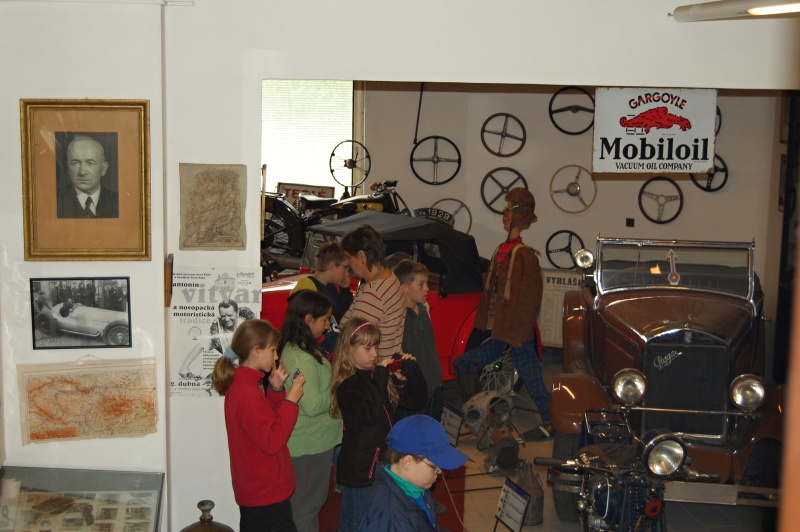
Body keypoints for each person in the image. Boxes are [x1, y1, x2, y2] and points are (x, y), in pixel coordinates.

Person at [452, 187, 552, 441]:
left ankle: (552, 423)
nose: (503, 214)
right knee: (463, 363)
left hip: (517, 335)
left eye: (508, 209)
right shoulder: (502, 251)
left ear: (519, 213)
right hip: (500, 331)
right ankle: (479, 414)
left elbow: (530, 303)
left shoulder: (526, 257)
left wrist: (518, 336)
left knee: (533, 381)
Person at [330, 318, 427, 532]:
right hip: (359, 471)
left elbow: (416, 400)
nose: (374, 353)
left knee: (376, 523)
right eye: (367, 348)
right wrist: (381, 376)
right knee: (355, 523)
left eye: (376, 346)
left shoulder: (378, 378)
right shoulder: (347, 386)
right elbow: (369, 415)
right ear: (350, 349)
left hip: (380, 466)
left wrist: (413, 372)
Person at [211, 319, 306, 532]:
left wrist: (276, 390)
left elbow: (263, 424)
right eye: (272, 350)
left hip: (259, 489)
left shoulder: (246, 384)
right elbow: (272, 441)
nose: (276, 356)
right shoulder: (246, 391)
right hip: (265, 491)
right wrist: (291, 401)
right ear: (256, 351)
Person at [278, 290, 343, 532]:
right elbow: (313, 404)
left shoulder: (303, 348)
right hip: (308, 446)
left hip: (316, 443)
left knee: (310, 506)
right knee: (304, 510)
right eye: (325, 319)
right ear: (308, 319)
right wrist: (340, 387)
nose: (327, 326)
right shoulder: (300, 357)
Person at [356, 415, 468, 532]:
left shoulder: (415, 486)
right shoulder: (392, 518)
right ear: (408, 462)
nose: (439, 472)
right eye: (435, 466)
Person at [340, 225, 406, 360]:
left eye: (348, 258)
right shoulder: (390, 278)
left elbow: (353, 341)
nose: (348, 264)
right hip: (386, 364)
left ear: (361, 256)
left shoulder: (374, 293)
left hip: (372, 368)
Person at [393, 259, 444, 422]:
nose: (427, 288)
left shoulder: (422, 309)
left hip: (433, 386)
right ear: (404, 287)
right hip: (414, 392)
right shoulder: (398, 317)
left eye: (426, 283)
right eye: (421, 284)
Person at [290, 241, 353, 352]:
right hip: (318, 348)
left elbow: (343, 316)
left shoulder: (331, 287)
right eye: (346, 268)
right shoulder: (307, 290)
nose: (347, 273)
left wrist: (345, 290)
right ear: (332, 266)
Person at [178, 299, 256, 378]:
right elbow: (201, 345)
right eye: (223, 316)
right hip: (231, 370)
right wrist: (184, 366)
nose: (226, 319)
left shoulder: (247, 326)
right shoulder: (217, 328)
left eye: (229, 315)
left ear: (237, 313)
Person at [57, 136, 119, 219]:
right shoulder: (54, 200)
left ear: (103, 168)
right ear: (69, 168)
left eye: (90, 163)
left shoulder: (119, 201)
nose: (82, 172)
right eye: (75, 163)